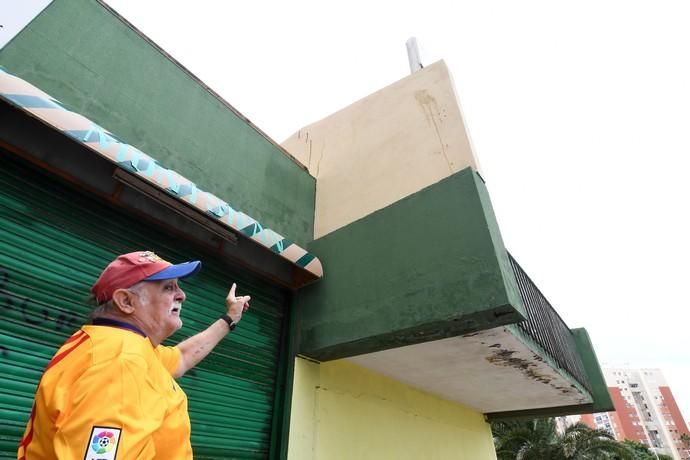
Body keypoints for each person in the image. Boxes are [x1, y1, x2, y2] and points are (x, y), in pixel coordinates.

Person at [17, 250, 250, 460]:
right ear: (126, 301)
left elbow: (181, 358)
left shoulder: (125, 346)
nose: (182, 295)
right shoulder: (121, 361)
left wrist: (230, 319)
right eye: (168, 287)